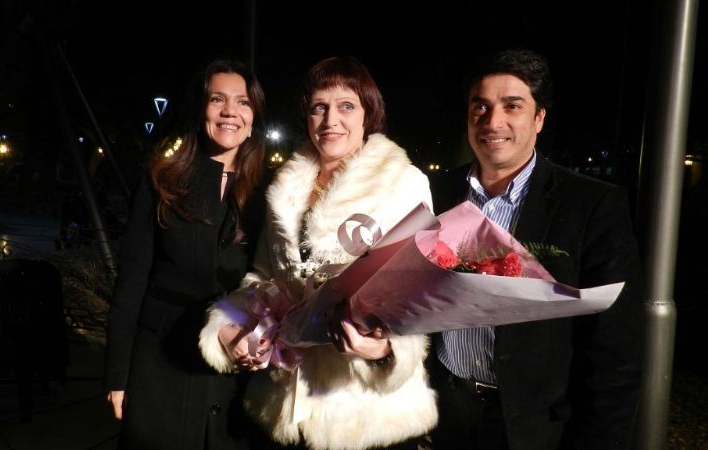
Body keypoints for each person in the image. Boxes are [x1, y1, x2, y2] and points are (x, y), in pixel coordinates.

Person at [199, 56, 438, 450]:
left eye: (346, 106)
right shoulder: (284, 188)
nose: (331, 120)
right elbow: (262, 277)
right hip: (284, 404)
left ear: (368, 113)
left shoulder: (404, 183)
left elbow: (419, 294)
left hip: (368, 416)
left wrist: (384, 350)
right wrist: (234, 329)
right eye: (319, 107)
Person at [428, 48, 644, 449]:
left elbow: (616, 353)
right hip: (447, 415)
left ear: (539, 117)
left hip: (537, 427)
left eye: (512, 106)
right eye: (480, 106)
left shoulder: (591, 205)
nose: (493, 121)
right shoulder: (434, 194)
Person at [104, 59, 267, 450]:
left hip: (236, 368)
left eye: (243, 102)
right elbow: (132, 279)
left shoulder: (269, 190)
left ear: (253, 118)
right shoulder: (162, 178)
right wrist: (117, 375)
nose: (230, 111)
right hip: (161, 362)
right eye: (218, 99)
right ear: (201, 109)